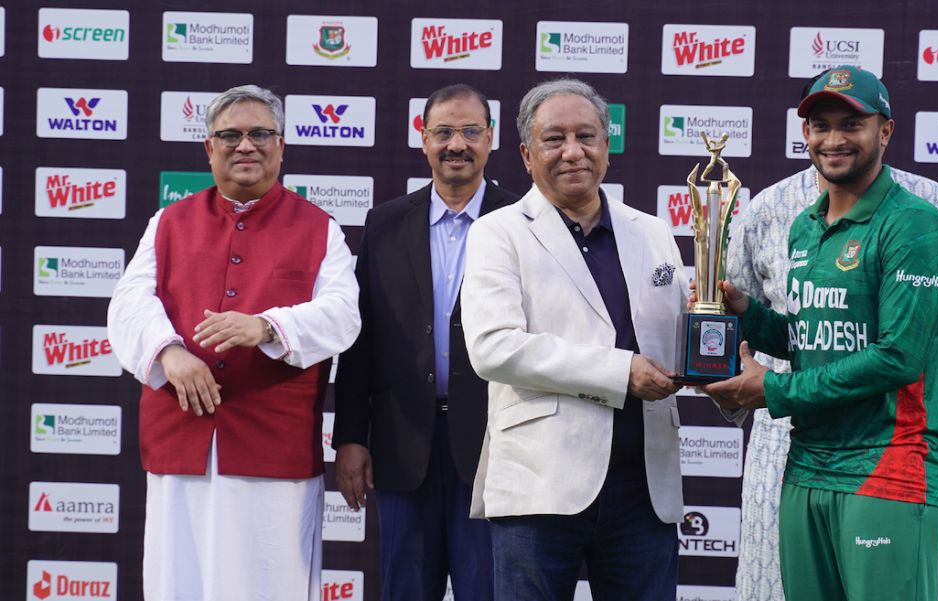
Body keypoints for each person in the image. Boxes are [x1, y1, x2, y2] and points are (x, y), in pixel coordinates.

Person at [727, 69, 938, 601]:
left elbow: (897, 357)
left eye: (852, 124)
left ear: (885, 131)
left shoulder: (915, 221)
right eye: (820, 125)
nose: (834, 139)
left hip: (888, 465)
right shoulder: (802, 225)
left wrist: (772, 391)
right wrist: (746, 312)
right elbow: (809, 338)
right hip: (809, 461)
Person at [107, 84, 361, 600]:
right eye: (230, 135)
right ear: (209, 147)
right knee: (180, 580)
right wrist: (168, 352)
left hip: (273, 447)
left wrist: (268, 326)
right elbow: (128, 302)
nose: (246, 146)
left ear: (282, 145)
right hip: (183, 440)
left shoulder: (319, 228)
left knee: (268, 584)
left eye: (260, 134)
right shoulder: (168, 222)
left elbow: (342, 314)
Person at [459, 78, 687, 601]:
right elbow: (494, 346)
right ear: (525, 153)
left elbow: (678, 340)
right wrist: (619, 371)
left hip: (643, 488)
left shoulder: (651, 231)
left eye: (586, 136)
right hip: (540, 485)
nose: (572, 152)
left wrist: (720, 362)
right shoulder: (498, 232)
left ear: (607, 145)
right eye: (553, 139)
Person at [332, 84, 519, 601]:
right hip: (401, 446)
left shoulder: (524, 221)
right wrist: (351, 437)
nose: (456, 144)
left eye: (469, 131)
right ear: (423, 139)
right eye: (443, 132)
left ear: (491, 139)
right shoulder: (385, 223)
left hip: (496, 447)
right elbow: (358, 340)